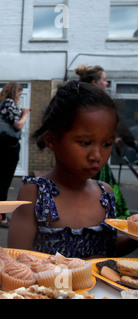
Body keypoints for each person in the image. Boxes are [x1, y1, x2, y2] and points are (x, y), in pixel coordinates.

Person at [8, 81, 137, 258]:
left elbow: (109, 251)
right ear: (52, 140)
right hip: (46, 286)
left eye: (107, 144)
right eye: (85, 143)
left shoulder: (105, 194)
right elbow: (17, 259)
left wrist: (134, 238)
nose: (97, 155)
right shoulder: (36, 193)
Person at [76, 64, 136, 219]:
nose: (106, 83)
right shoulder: (96, 102)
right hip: (88, 164)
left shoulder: (79, 97)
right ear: (94, 83)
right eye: (104, 79)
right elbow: (117, 124)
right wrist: (133, 144)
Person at [0, 82, 30, 227]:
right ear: (15, 92)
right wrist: (25, 114)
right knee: (4, 183)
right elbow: (18, 125)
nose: (19, 97)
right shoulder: (9, 102)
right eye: (19, 94)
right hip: (9, 147)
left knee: (0, 182)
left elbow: (9, 119)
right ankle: (1, 217)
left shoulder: (1, 103)